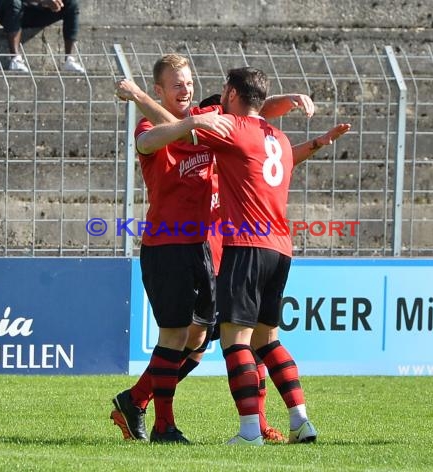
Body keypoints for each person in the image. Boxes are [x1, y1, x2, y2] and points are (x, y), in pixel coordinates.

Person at [132, 67, 346, 446]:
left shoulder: (231, 129)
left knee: (234, 340)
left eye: (190, 83)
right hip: (279, 248)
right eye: (177, 83)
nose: (188, 90)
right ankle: (300, 420)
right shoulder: (275, 136)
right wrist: (313, 138)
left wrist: (139, 97)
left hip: (245, 246)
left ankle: (250, 431)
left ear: (230, 93)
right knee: (267, 339)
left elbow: (192, 128)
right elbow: (266, 140)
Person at [0, 0, 85, 73]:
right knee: (14, 2)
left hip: (34, 11)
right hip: (9, 12)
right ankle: (15, 59)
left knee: (72, 3)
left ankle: (69, 60)